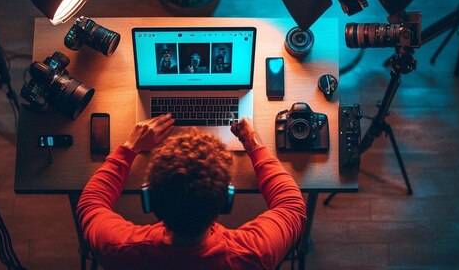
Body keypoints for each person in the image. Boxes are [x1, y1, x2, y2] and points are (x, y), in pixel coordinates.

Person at [77, 114, 307, 270]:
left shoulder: (118, 250)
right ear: (226, 201)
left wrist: (130, 147)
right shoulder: (254, 253)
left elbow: (91, 204)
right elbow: (291, 206)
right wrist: (254, 145)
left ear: (149, 200)